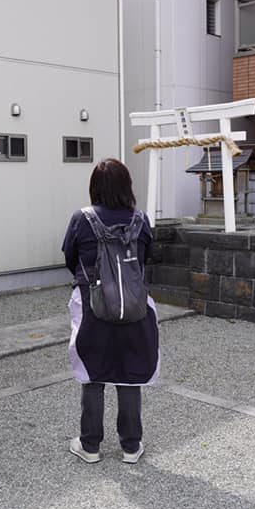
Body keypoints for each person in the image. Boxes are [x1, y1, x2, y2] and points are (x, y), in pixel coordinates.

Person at [61, 158, 159, 464]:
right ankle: (131, 446)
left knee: (94, 373)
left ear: (95, 187)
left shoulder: (82, 218)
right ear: (126, 186)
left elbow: (70, 256)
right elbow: (146, 259)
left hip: (93, 304)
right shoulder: (141, 220)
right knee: (129, 374)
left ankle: (90, 445)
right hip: (134, 305)